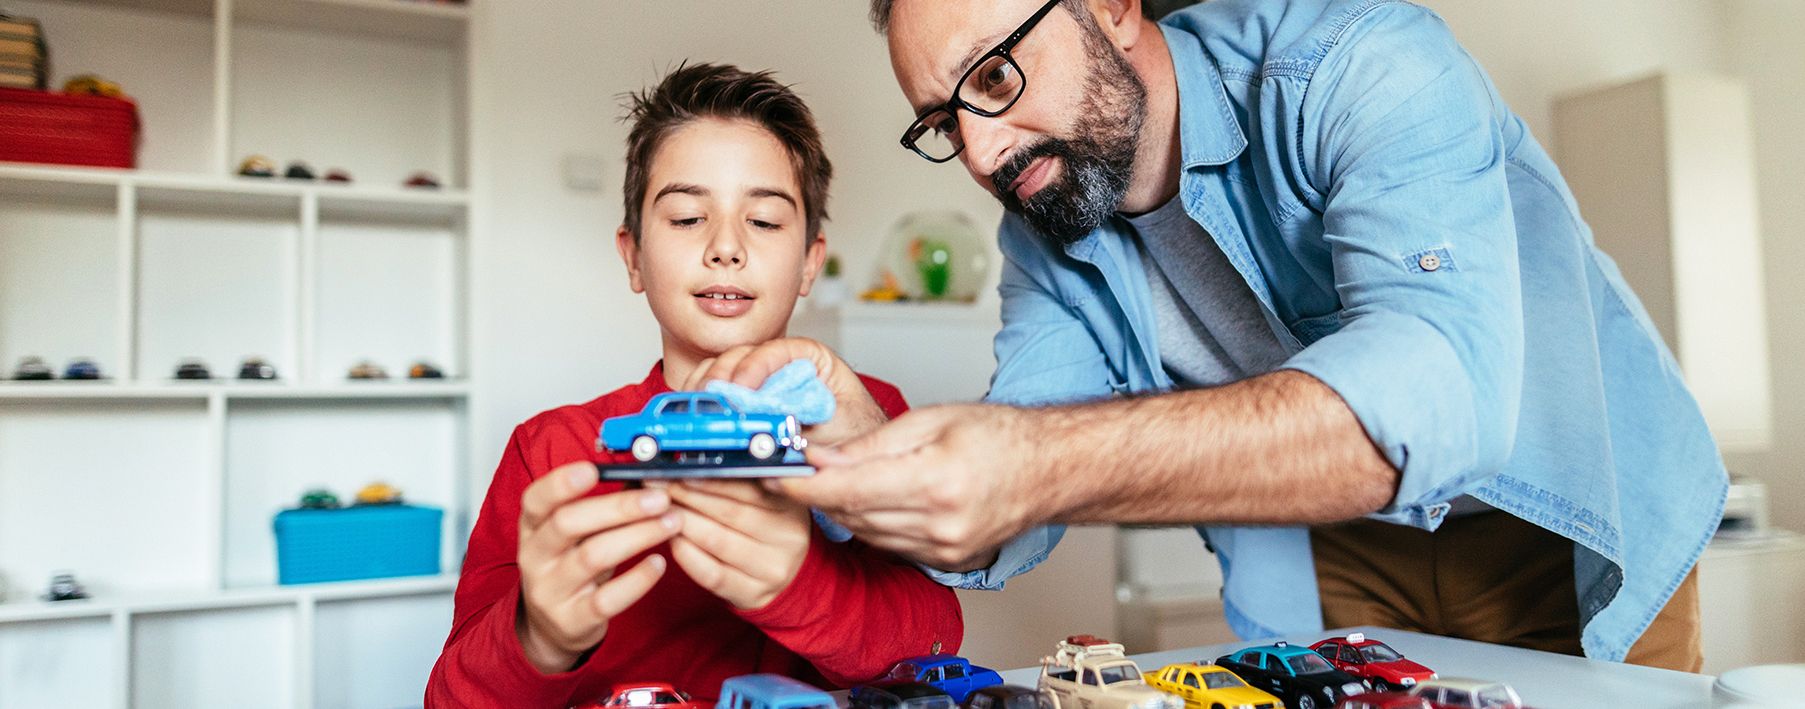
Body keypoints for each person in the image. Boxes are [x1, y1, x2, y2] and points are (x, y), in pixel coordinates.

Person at [703, 0, 1722, 671]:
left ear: (1108, 6)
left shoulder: (1355, 63)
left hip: (1564, 515)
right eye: (940, 121)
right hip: (1336, 551)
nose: (978, 149)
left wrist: (1032, 461)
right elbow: (1014, 478)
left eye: (996, 80)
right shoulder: (1044, 235)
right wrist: (859, 446)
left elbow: (1437, 391)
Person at [426, 63, 962, 707]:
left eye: (764, 221)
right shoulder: (550, 449)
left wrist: (800, 583)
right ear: (633, 257)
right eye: (685, 218)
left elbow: (936, 642)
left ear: (809, 264)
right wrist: (539, 637)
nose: (726, 247)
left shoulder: (870, 416)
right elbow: (450, 697)